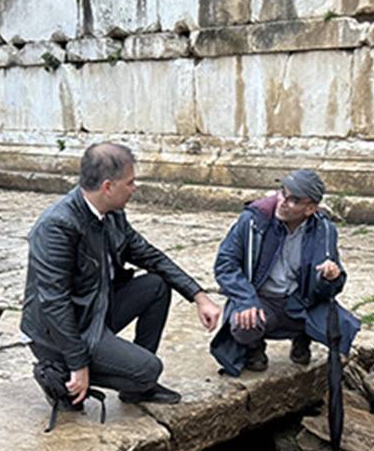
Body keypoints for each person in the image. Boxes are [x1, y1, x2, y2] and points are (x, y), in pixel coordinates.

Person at [22, 142, 223, 408]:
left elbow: (150, 256)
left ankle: (135, 386)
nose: (134, 187)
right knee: (148, 370)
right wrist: (77, 362)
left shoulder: (113, 214)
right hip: (60, 331)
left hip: (96, 310)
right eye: (129, 182)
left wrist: (198, 295)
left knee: (156, 285)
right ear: (108, 187)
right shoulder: (57, 226)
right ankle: (59, 374)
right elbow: (54, 302)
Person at [210, 169, 361, 376]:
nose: (282, 201)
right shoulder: (254, 221)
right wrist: (246, 300)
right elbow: (225, 264)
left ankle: (302, 337)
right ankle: (254, 348)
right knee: (243, 324)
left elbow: (331, 289)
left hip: (300, 301)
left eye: (294, 200)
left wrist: (331, 277)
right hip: (262, 299)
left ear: (310, 209)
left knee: (340, 328)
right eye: (282, 192)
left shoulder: (323, 230)